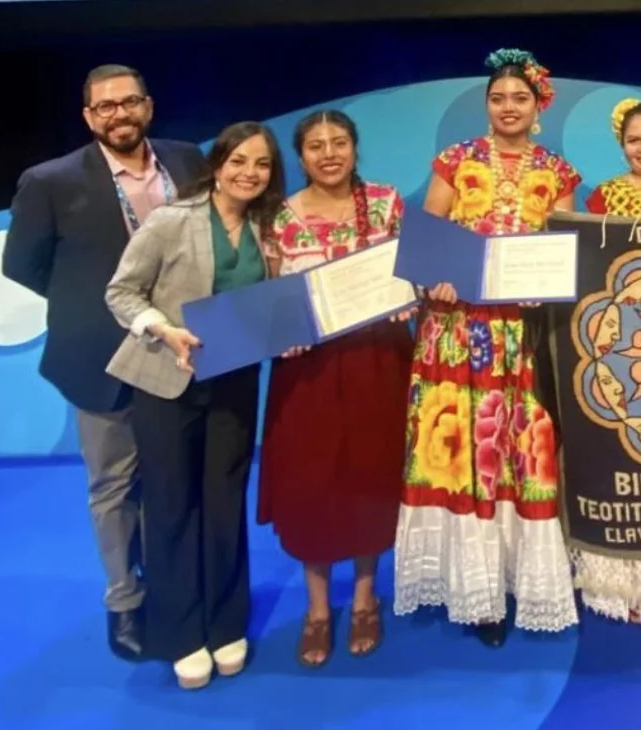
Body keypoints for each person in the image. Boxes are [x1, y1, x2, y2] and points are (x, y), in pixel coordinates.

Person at [0, 64, 206, 661]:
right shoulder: (49, 181)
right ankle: (124, 602)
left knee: (176, 478)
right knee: (114, 485)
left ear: (148, 106)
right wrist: (92, 306)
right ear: (89, 117)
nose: (119, 114)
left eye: (129, 102)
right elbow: (23, 265)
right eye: (105, 107)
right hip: (101, 358)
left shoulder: (189, 162)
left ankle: (177, 587)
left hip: (184, 352)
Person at [394, 48, 582, 648]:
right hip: (455, 332)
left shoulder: (558, 171)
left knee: (514, 454)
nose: (508, 108)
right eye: (498, 98)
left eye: (519, 98)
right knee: (461, 450)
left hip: (521, 338)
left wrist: (543, 289)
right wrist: (438, 275)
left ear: (538, 106)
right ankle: (472, 588)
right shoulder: (455, 161)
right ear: (487, 105)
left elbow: (560, 251)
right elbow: (430, 241)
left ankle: (517, 579)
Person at [104, 121, 286, 689]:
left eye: (260, 164)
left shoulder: (271, 228)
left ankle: (226, 622)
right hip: (166, 381)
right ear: (217, 164)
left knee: (224, 500)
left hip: (233, 381)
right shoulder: (171, 221)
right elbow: (121, 292)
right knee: (172, 504)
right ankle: (181, 632)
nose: (248, 173)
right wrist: (163, 328)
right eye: (238, 161)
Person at [256, 109, 412, 668]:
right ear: (300, 157)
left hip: (378, 362)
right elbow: (268, 292)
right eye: (316, 145)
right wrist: (283, 331)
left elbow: (412, 273)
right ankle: (318, 609)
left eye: (339, 142)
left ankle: (367, 597)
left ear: (355, 147)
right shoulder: (277, 216)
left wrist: (407, 298)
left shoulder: (388, 203)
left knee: (372, 474)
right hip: (308, 372)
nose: (329, 154)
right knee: (312, 481)